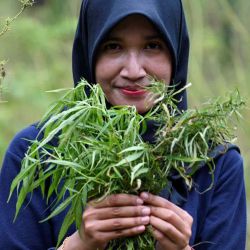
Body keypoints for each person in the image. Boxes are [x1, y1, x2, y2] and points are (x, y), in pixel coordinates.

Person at [0, 1, 246, 249]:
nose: (133, 70)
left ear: (176, 51)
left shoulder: (216, 164)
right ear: (90, 51)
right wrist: (79, 245)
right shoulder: (36, 153)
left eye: (152, 46)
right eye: (113, 46)